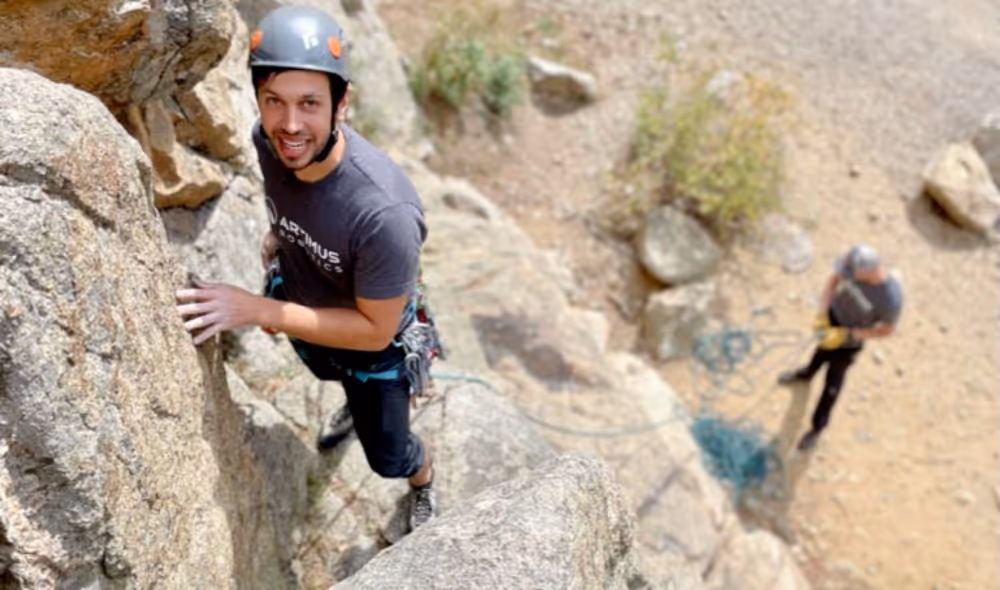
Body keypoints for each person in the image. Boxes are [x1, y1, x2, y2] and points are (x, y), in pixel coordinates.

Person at [174, 5, 438, 531]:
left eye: (309, 104)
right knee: (330, 372)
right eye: (274, 101)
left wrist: (259, 308)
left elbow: (375, 329)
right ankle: (354, 403)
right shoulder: (268, 141)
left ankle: (424, 478)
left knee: (388, 456)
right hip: (309, 307)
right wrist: (284, 233)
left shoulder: (384, 212)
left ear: (342, 104)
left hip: (372, 344)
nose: (290, 125)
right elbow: (300, 199)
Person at [778, 244, 902, 451]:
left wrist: (852, 334)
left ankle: (817, 428)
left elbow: (887, 329)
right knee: (819, 353)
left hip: (849, 341)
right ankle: (806, 374)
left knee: (832, 384)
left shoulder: (890, 300)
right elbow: (833, 281)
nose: (847, 276)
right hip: (832, 320)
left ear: (867, 271)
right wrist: (822, 314)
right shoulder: (852, 265)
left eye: (851, 274)